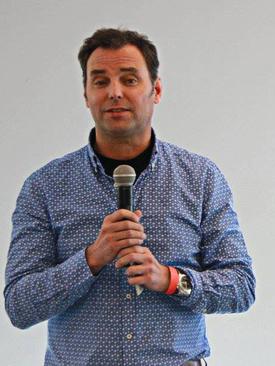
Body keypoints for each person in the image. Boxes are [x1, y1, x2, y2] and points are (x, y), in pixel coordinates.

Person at [4, 28, 255, 366]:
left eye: (129, 79)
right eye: (100, 81)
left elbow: (241, 286)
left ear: (157, 90)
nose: (115, 92)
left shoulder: (201, 178)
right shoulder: (45, 187)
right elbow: (19, 305)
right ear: (86, 94)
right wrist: (91, 258)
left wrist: (169, 279)